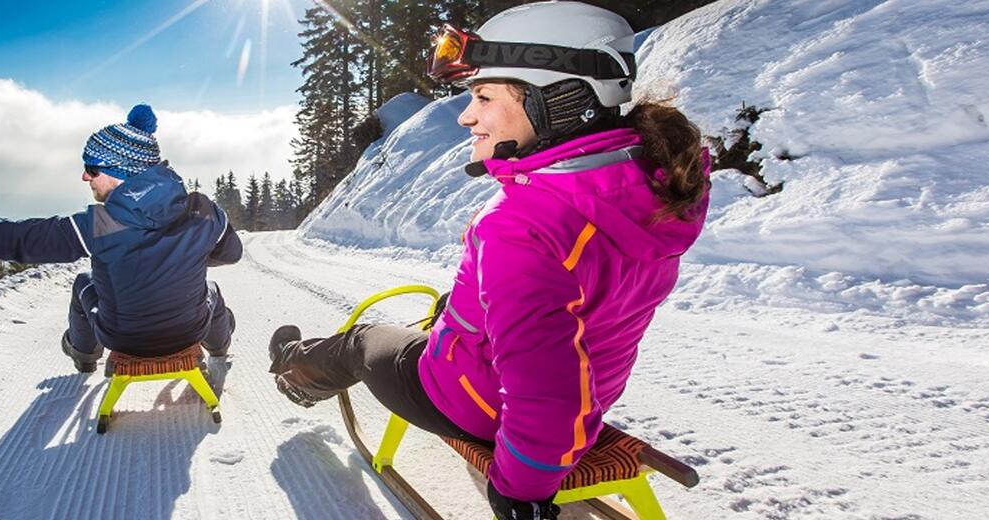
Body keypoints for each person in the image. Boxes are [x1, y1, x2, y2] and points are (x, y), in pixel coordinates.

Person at [265, 2, 710, 518]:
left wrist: (521, 489)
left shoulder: (521, 225)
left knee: (362, 341)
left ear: (556, 101)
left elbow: (546, 387)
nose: (466, 115)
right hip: (596, 391)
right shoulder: (653, 186)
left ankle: (296, 370)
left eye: (483, 96)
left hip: (475, 405)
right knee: (451, 304)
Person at [0, 104, 242, 373]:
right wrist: (180, 254)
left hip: (122, 337)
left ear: (121, 172)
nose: (85, 177)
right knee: (211, 290)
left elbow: (4, 237)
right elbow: (232, 253)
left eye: (91, 168)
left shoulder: (101, 224)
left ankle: (83, 354)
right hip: (188, 328)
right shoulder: (202, 210)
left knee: (82, 284)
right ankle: (219, 348)